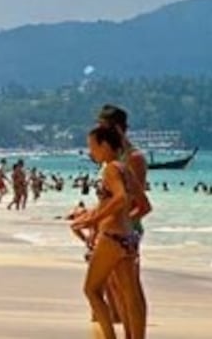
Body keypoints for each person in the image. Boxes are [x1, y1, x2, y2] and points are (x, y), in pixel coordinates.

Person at [70, 125, 144, 339]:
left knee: (91, 290)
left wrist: (96, 219)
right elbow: (144, 205)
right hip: (129, 238)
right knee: (131, 297)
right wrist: (121, 222)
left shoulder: (110, 169)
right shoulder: (126, 169)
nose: (90, 152)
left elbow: (120, 198)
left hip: (111, 239)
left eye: (91, 146)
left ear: (104, 144)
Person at [97, 104, 151, 339]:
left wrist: (122, 226)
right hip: (111, 227)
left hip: (126, 228)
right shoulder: (113, 156)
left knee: (130, 289)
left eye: (103, 126)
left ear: (117, 128)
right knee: (118, 288)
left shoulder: (133, 158)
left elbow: (133, 199)